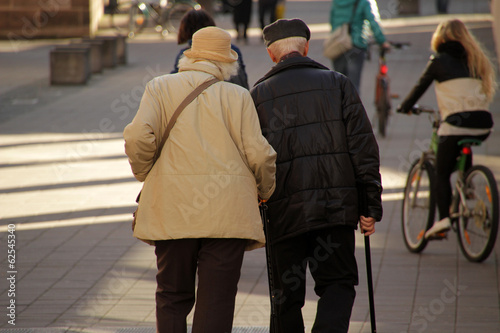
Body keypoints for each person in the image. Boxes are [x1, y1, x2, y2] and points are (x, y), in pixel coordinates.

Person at [124, 26, 277, 333]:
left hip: (173, 209)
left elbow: (138, 135)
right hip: (227, 214)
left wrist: (145, 172)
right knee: (216, 301)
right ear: (227, 63)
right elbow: (260, 155)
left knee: (171, 295)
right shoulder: (239, 96)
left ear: (189, 57)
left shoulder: (159, 87)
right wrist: (265, 190)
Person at [250, 18, 383, 333]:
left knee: (285, 298)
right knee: (338, 281)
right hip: (334, 209)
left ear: (271, 54)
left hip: (282, 212)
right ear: (306, 48)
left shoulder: (257, 95)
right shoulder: (338, 83)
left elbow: (252, 158)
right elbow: (364, 148)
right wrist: (369, 205)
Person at [397, 19, 496, 239]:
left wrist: (404, 107)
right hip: (483, 124)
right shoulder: (476, 60)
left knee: (441, 174)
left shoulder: (438, 61)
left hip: (455, 124)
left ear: (441, 38)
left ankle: (443, 221)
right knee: (462, 148)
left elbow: (418, 88)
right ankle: (467, 185)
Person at [171, 9, 249, 89]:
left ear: (185, 30)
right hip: (234, 96)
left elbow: (175, 84)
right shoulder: (233, 51)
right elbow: (243, 81)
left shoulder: (184, 55)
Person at [328, 0, 390, 92]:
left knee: (339, 85)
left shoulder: (337, 1)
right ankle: (352, 106)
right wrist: (382, 41)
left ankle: (338, 105)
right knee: (353, 85)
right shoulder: (365, 1)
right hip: (356, 45)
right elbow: (373, 21)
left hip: (338, 45)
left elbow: (332, 21)